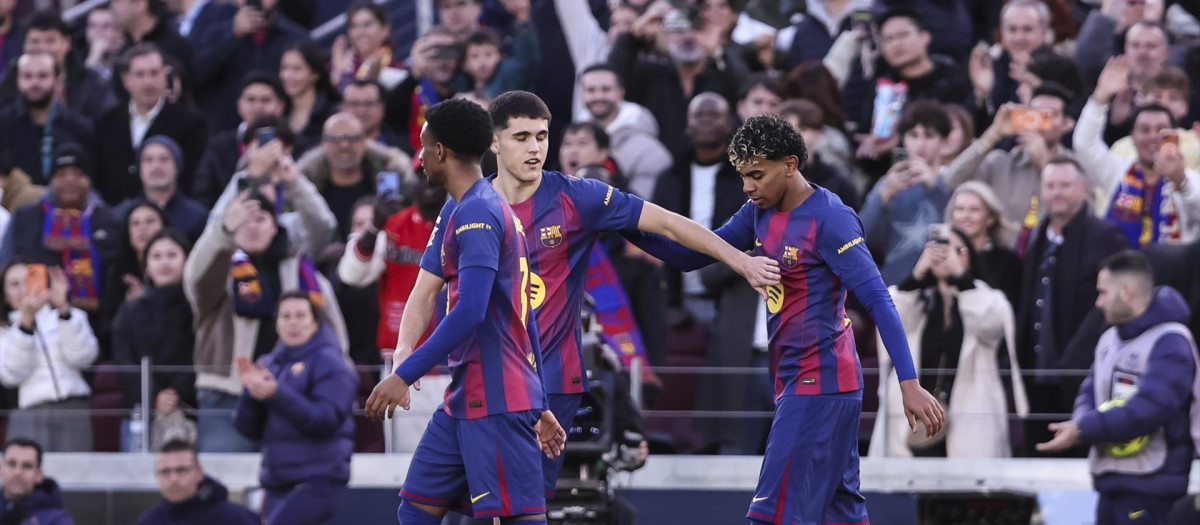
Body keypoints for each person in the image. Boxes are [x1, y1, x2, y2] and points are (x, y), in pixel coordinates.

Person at [375, 91, 778, 517]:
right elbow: (425, 290)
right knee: (422, 505)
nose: (535, 148)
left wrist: (739, 260)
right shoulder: (464, 206)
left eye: (542, 136)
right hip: (474, 383)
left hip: (542, 383)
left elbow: (668, 224)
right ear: (494, 141)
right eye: (521, 137)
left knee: (509, 512)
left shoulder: (577, 197)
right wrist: (404, 351)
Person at [627, 114, 943, 524]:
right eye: (743, 176)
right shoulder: (757, 212)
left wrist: (909, 383)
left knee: (770, 514)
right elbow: (692, 257)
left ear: (790, 165)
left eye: (756, 175)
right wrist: (623, 222)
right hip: (801, 381)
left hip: (821, 381)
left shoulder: (831, 218)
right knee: (841, 512)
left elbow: (880, 301)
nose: (747, 187)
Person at [365, 98, 562, 525]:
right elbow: (523, 313)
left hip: (497, 400)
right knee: (416, 508)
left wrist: (404, 374)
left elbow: (471, 310)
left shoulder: (478, 213)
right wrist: (541, 399)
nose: (419, 157)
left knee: (521, 519)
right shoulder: (469, 206)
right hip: (465, 397)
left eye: (423, 146)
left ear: (440, 151)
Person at [184, 173, 347, 452]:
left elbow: (334, 331)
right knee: (227, 475)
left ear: (275, 226)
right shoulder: (219, 270)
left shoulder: (302, 271)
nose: (252, 226)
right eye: (244, 220)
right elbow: (194, 278)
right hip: (227, 394)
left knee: (292, 474)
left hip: (296, 391)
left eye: (260, 219)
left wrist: (334, 376)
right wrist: (222, 229)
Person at [1037, 251, 1200, 525]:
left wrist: (1084, 429)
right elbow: (1089, 389)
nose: (1098, 302)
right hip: (1111, 483)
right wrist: (1079, 422)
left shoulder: (1171, 342)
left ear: (1126, 292)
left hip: (1150, 487)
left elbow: (1149, 409)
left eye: (1103, 292)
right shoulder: (1109, 338)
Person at [870, 226, 1029, 458]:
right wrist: (916, 276)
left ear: (972, 257)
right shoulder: (916, 300)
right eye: (939, 249)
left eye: (958, 250)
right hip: (915, 424)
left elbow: (991, 327)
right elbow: (890, 320)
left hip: (969, 421)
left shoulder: (988, 299)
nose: (947, 255)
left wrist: (962, 280)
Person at [1017, 156, 1129, 455]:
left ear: (1084, 188)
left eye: (1065, 185)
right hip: (1035, 374)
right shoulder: (1036, 237)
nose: (1057, 192)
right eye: (1051, 185)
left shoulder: (1104, 235)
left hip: (1083, 377)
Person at [339, 184, 447, 452]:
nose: (427, 181)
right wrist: (374, 226)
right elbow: (351, 274)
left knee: (456, 455)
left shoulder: (466, 217)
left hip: (453, 358)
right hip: (402, 359)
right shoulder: (393, 224)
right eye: (419, 174)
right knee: (408, 456)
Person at [233, 291, 357, 525]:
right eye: (286, 316)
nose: (293, 323)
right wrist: (252, 393)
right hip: (276, 484)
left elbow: (325, 420)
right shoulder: (268, 364)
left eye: (300, 316)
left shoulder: (332, 363)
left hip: (317, 482)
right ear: (276, 323)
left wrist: (277, 393)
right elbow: (246, 429)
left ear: (315, 322)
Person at [1075, 55, 1200, 247]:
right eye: (1144, 129)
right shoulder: (1116, 171)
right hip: (1117, 261)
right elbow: (1085, 145)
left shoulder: (1187, 179)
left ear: (1173, 134)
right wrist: (1100, 98)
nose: (1152, 136)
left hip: (1173, 265)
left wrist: (1181, 183)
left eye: (1160, 129)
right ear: (1132, 136)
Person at [608, 2, 750, 157]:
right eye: (679, 30)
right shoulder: (650, 74)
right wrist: (633, 36)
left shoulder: (723, 74)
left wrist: (717, 50)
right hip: (658, 167)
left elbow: (744, 90)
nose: (688, 36)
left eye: (697, 29)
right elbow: (613, 78)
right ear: (665, 34)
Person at [0, 144, 121, 316]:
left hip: (99, 319)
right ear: (51, 181)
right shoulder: (25, 218)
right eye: (62, 174)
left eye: (78, 174)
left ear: (90, 180)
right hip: (33, 319)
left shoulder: (109, 221)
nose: (70, 180)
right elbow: (5, 268)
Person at [946, 84, 1077, 227]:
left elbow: (1079, 212)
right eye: (1036, 114)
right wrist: (993, 133)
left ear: (1067, 123)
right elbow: (953, 179)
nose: (1041, 122)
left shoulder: (1076, 168)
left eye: (1050, 115)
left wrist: (1046, 162)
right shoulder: (1000, 163)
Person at [0, 262, 98, 452]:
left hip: (73, 410)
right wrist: (25, 324)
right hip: (29, 414)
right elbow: (11, 375)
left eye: (29, 280)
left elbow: (85, 358)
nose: (24, 289)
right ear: (4, 295)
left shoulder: (70, 315)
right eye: (14, 284)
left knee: (76, 470)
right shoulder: (3, 332)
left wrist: (64, 310)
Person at [94, 44, 208, 204]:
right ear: (126, 79)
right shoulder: (106, 122)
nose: (148, 82)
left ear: (165, 76)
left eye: (154, 73)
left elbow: (192, 177)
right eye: (140, 74)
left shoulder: (191, 123)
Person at [859, 100, 954, 285]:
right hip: (894, 285)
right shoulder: (889, 182)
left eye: (929, 136)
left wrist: (936, 188)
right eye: (913, 135)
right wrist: (883, 196)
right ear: (904, 139)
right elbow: (858, 237)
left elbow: (954, 231)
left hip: (939, 284)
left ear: (944, 141)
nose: (920, 144)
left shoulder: (951, 181)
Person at [112, 230, 196, 423]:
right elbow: (124, 360)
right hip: (140, 411)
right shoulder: (129, 311)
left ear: (186, 261)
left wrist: (175, 393)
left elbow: (200, 355)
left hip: (189, 410)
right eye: (156, 256)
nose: (164, 262)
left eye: (172, 255)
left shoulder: (198, 308)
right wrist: (154, 396)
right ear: (146, 266)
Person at [192, 0, 308, 132]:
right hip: (224, 132)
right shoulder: (214, 32)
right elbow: (196, 74)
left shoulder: (295, 37)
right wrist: (232, 34)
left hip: (279, 130)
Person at [294, 112, 413, 238]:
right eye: (335, 139)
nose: (344, 145)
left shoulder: (394, 178)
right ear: (324, 143)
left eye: (352, 138)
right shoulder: (304, 184)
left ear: (365, 141)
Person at [0, 11, 117, 123]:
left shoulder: (91, 83)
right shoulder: (12, 79)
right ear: (24, 45)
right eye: (34, 41)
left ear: (67, 43)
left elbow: (104, 125)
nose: (42, 48)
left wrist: (63, 112)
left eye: (50, 41)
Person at [575, 64, 671, 199]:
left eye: (606, 89)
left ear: (620, 92)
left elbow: (644, 206)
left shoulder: (649, 150)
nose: (598, 96)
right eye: (591, 90)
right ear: (581, 94)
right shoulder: (570, 141)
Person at [192, 73, 288, 205]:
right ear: (239, 105)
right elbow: (204, 192)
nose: (258, 106)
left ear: (281, 106)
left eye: (265, 100)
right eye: (251, 100)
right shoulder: (219, 146)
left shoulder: (293, 142)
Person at [0, 52, 95, 185]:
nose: (35, 83)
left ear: (57, 79)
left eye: (43, 76)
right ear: (17, 79)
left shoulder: (80, 127)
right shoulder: (3, 125)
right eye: (27, 76)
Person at [137, 439, 258, 524]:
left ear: (199, 473)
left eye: (181, 470)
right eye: (165, 472)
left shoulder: (236, 518)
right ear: (157, 475)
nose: (173, 479)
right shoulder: (149, 522)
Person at [383, 27, 461, 155]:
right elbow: (388, 114)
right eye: (435, 52)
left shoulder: (468, 88)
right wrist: (416, 72)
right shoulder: (408, 92)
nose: (443, 61)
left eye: (449, 51)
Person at [119, 136, 209, 243]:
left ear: (177, 166)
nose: (156, 166)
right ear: (139, 168)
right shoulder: (123, 214)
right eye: (148, 159)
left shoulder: (197, 217)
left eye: (164, 159)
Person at [946, 181, 1021, 306]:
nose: (965, 216)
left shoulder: (1008, 261)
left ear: (990, 218)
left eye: (974, 210)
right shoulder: (944, 257)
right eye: (960, 209)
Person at [777, 99, 860, 210]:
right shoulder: (765, 177)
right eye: (786, 129)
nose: (792, 135)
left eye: (802, 129)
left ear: (817, 134)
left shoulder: (836, 180)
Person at [329, 1, 406, 90]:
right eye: (354, 26)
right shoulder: (338, 67)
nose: (360, 32)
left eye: (367, 25)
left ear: (385, 30)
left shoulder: (400, 71)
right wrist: (337, 73)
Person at [280, 42, 339, 153]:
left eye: (297, 69)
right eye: (284, 68)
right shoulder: (279, 113)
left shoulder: (332, 113)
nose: (287, 75)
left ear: (315, 74)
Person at [109, 0, 193, 75]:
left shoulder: (177, 49)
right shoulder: (121, 56)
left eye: (117, 1)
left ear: (139, 4)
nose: (112, 6)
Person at [0, 438, 73, 524]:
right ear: (1, 469)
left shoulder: (58, 520)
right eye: (12, 464)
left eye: (27, 466)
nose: (18, 472)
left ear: (39, 474)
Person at [341, 79, 398, 148]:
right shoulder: (330, 149)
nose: (361, 110)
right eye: (354, 104)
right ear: (342, 109)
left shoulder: (403, 148)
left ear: (382, 108)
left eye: (369, 103)